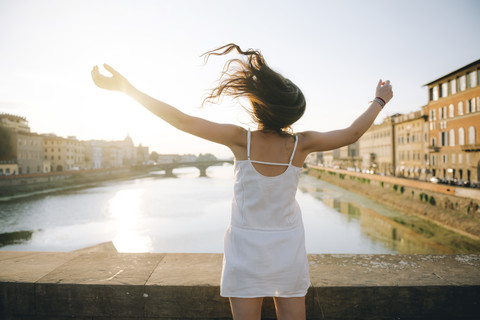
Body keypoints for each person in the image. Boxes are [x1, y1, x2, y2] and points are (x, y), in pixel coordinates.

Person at [91, 43, 393, 320]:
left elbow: (181, 120)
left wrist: (128, 89)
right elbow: (352, 133)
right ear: (293, 113)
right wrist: (379, 99)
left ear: (258, 105)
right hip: (287, 248)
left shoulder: (241, 140)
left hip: (245, 249)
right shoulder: (301, 144)